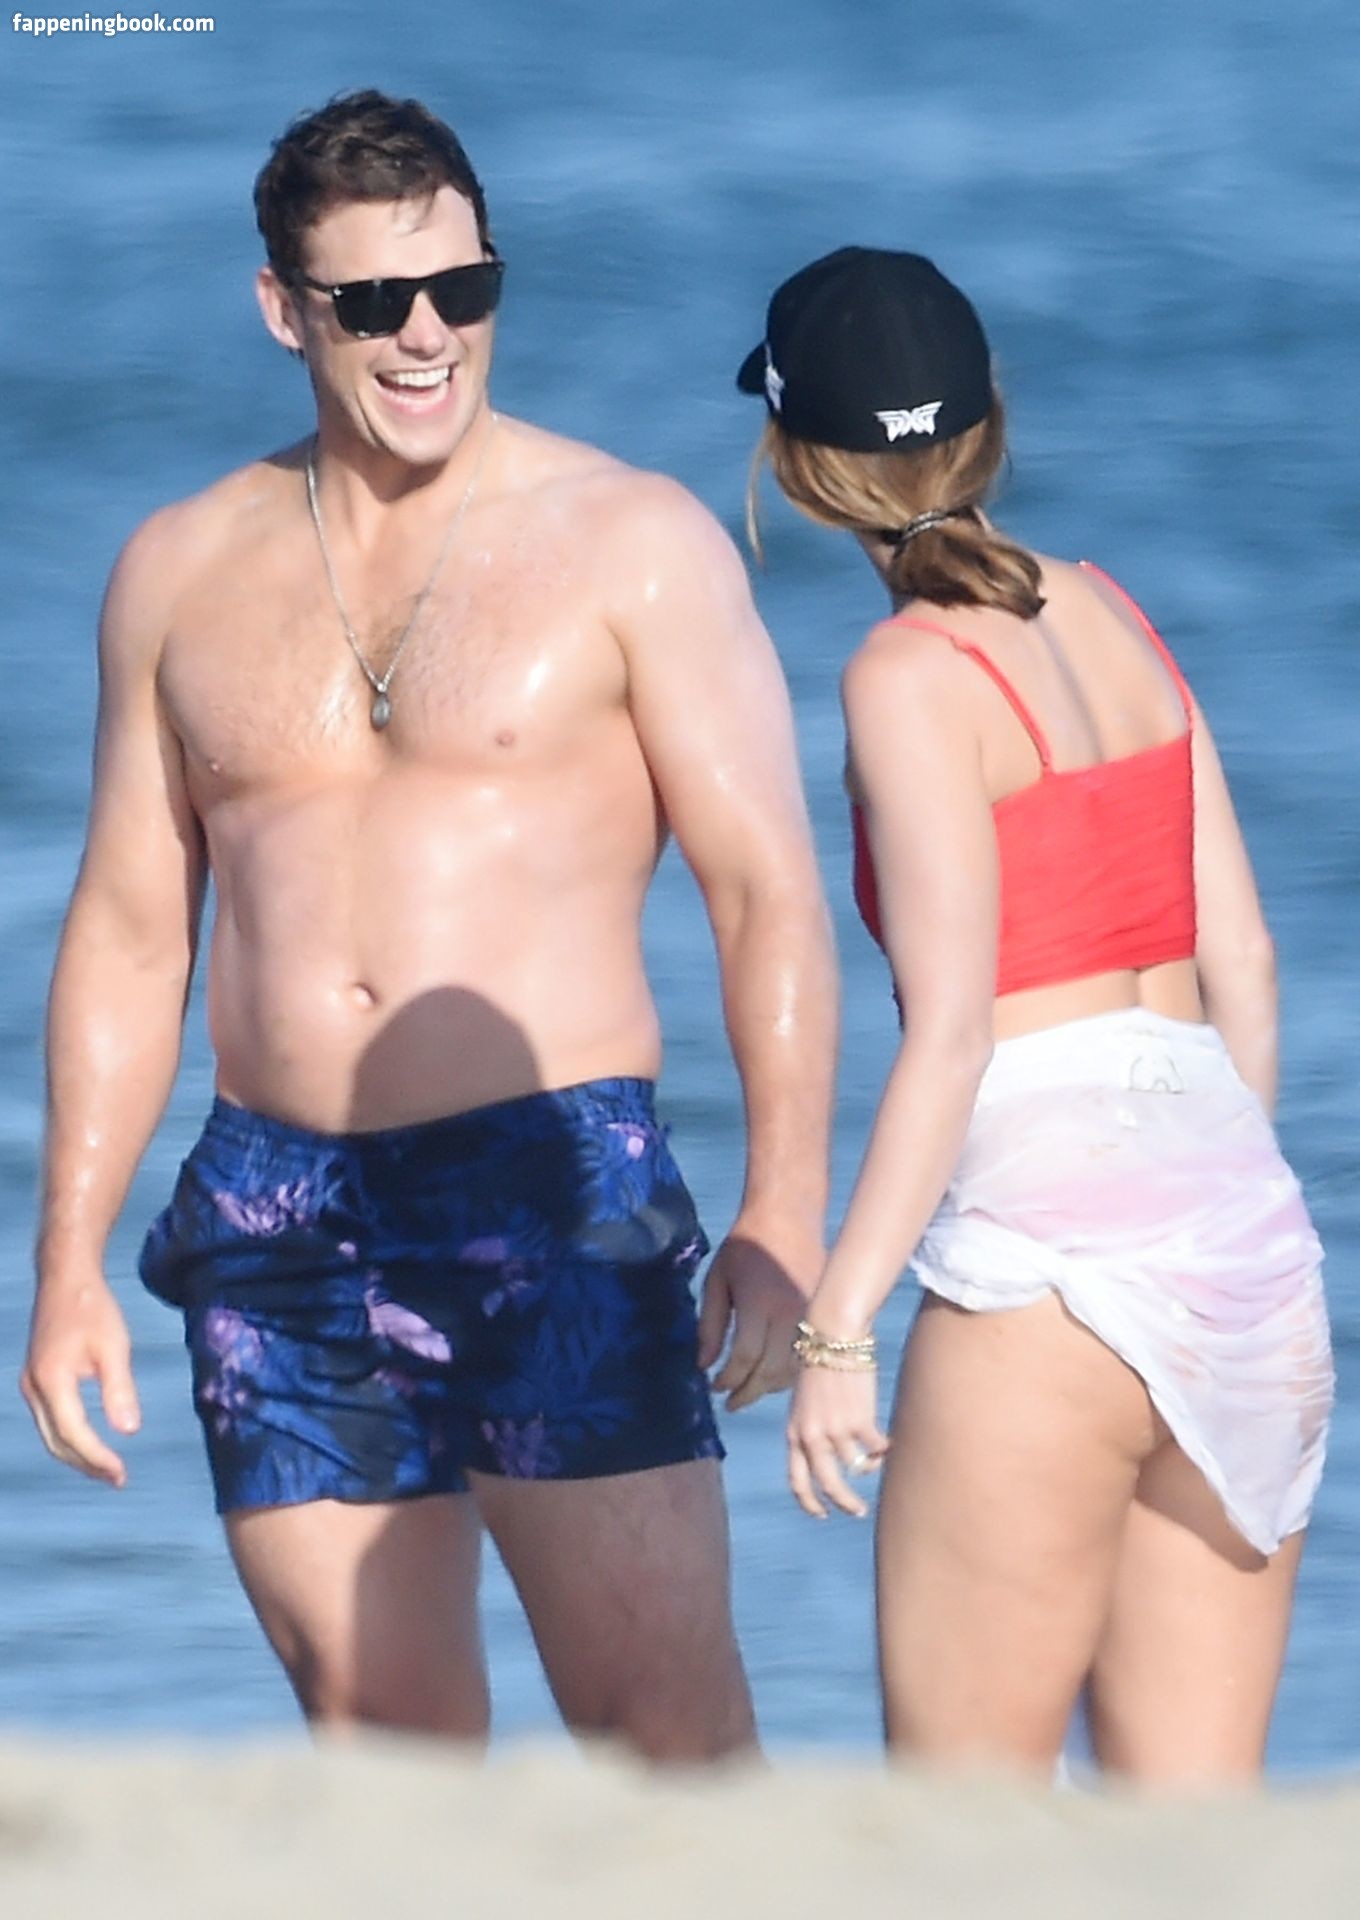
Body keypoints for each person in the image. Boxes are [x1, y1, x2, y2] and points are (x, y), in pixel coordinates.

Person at [20, 90, 837, 1762]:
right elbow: (127, 930)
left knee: (665, 1740)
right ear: (284, 308)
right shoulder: (176, 570)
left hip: (556, 1190)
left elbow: (765, 892)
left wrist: (786, 1206)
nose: (426, 335)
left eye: (462, 290)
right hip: (274, 1207)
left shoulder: (632, 543)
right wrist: (66, 1264)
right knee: (378, 1752)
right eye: (377, 299)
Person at [737, 246, 1333, 1782]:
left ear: (797, 468)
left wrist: (838, 1330)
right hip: (1250, 1256)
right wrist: (1202, 1206)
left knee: (965, 1834)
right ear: (992, 420)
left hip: (1050, 1284)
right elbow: (1246, 961)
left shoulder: (908, 674)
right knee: (1191, 1848)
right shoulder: (1114, 610)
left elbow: (951, 1034)